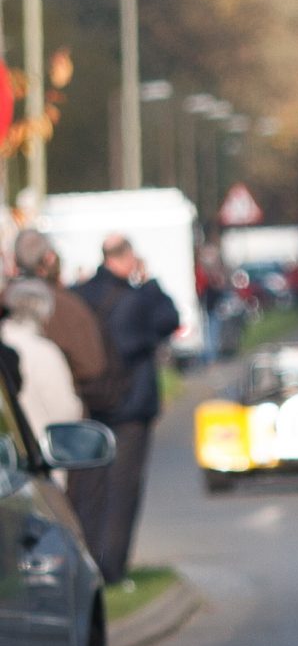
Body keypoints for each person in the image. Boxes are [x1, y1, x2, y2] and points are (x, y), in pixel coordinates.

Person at [71, 234, 180, 584]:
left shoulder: (83, 295)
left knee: (90, 489)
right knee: (123, 490)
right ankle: (113, 569)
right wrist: (150, 281)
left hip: (92, 401)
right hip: (132, 406)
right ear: (129, 257)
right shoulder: (139, 298)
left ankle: (88, 561)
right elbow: (170, 318)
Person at [11, 229, 118, 421]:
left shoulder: (7, 299)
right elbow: (93, 367)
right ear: (49, 258)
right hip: (58, 424)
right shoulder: (66, 307)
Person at [2, 278, 84, 455]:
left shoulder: (7, 341)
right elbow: (65, 411)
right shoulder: (45, 353)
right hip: (37, 455)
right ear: (45, 312)